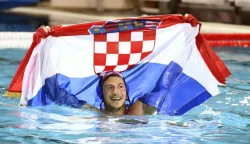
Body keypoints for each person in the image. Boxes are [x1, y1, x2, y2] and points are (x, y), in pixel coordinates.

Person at [41, 26, 157, 116]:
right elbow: (55, 93)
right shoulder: (93, 113)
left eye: (120, 86)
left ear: (127, 92)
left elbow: (165, 89)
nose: (116, 92)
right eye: (109, 87)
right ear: (101, 93)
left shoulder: (139, 110)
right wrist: (46, 46)